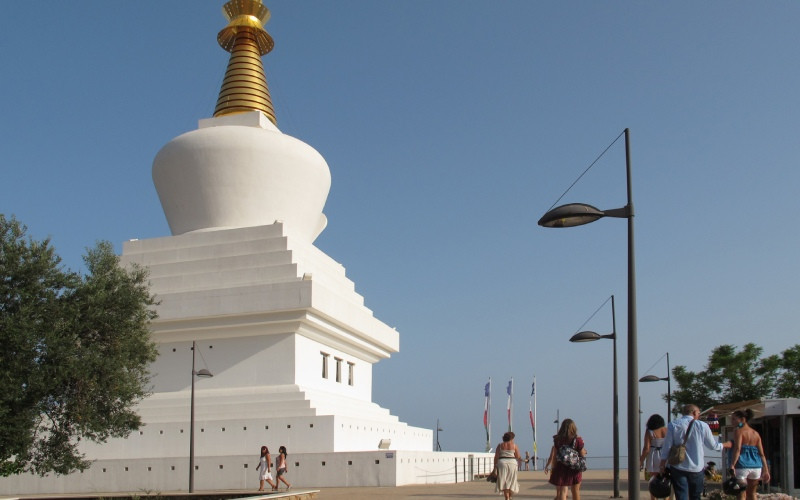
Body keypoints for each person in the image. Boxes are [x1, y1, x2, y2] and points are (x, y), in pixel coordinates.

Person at [659, 404, 732, 500]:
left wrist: (662, 463)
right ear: (693, 412)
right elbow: (712, 446)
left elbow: (667, 446)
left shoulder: (673, 425)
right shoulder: (702, 425)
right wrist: (726, 444)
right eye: (698, 413)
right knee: (695, 496)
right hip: (696, 467)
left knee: (681, 496)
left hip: (678, 466)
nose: (699, 415)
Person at [729, 409, 770, 500]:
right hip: (756, 466)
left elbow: (738, 449)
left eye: (734, 419)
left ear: (743, 419)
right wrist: (766, 470)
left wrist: (732, 465)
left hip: (742, 465)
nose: (732, 421)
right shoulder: (756, 433)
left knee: (741, 494)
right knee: (752, 493)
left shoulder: (738, 431)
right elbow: (762, 454)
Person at [545, 419, 587, 500]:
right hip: (574, 468)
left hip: (561, 467)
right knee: (575, 490)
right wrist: (585, 452)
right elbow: (582, 453)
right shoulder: (577, 440)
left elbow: (555, 455)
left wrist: (553, 467)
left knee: (563, 491)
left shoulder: (557, 440)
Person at [640, 414, 667, 485]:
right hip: (665, 455)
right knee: (666, 478)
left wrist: (641, 460)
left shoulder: (649, 431)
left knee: (653, 480)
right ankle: (666, 495)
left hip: (653, 456)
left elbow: (646, 448)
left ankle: (653, 496)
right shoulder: (667, 430)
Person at [493, 431, 520, 500]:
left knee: (504, 481)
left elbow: (496, 457)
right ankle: (510, 495)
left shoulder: (500, 445)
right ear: (511, 439)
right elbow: (517, 456)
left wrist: (494, 468)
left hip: (502, 463)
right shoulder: (514, 445)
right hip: (512, 463)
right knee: (511, 480)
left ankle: (507, 497)